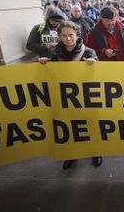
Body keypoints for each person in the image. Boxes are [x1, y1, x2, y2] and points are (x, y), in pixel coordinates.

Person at [38, 20, 101, 170]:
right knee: (69, 126)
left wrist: (95, 64)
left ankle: (96, 151)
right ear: (59, 36)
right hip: (65, 97)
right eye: (64, 35)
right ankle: (71, 154)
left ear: (77, 34)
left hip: (86, 97)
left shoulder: (88, 52)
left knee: (91, 124)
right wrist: (44, 65)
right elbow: (51, 76)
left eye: (71, 35)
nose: (68, 39)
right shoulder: (54, 52)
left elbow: (99, 75)